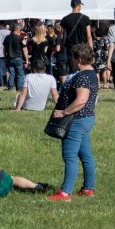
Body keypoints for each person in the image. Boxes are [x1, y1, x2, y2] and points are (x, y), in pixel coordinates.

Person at [46, 44, 99, 202]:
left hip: (77, 119)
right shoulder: (91, 74)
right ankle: (88, 189)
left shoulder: (82, 76)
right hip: (87, 118)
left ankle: (65, 193)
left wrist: (63, 112)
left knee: (69, 156)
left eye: (75, 58)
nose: (73, 61)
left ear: (80, 59)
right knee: (86, 155)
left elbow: (81, 100)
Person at [59, 0, 91, 64]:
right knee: (83, 67)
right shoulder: (86, 18)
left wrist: (61, 47)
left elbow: (61, 35)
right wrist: (91, 49)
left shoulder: (65, 19)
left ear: (71, 6)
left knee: (73, 69)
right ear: (79, 5)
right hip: (83, 48)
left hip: (71, 48)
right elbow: (89, 36)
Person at [3, 23, 26, 92]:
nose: (20, 31)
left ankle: (10, 87)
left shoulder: (7, 37)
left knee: (11, 73)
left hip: (9, 58)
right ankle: (19, 88)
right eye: (20, 30)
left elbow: (4, 49)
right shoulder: (21, 38)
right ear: (17, 29)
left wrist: (5, 57)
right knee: (20, 74)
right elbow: (25, 49)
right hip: (18, 58)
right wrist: (27, 59)